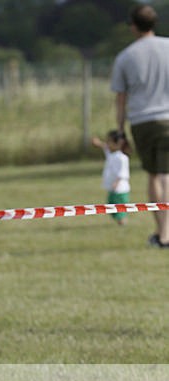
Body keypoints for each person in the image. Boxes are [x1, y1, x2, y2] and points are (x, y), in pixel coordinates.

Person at [111, 3, 169, 247]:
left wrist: (120, 131)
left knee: (155, 175)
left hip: (143, 121)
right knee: (168, 175)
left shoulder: (126, 56)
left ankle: (163, 233)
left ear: (134, 26)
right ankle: (166, 233)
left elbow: (121, 99)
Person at [91, 130, 131, 226]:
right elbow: (105, 147)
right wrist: (98, 143)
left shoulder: (122, 158)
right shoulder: (111, 154)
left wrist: (116, 183)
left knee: (119, 210)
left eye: (109, 141)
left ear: (118, 143)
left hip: (120, 190)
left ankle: (122, 224)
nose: (107, 143)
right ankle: (120, 223)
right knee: (110, 206)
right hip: (113, 189)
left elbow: (122, 173)